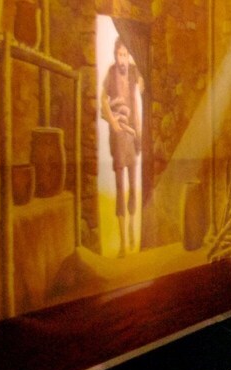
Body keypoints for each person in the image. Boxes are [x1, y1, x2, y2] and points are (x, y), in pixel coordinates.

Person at [103, 38, 144, 257]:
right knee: (120, 187)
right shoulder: (111, 73)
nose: (123, 59)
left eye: (126, 55)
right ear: (115, 55)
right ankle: (121, 241)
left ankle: (130, 227)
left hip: (133, 136)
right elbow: (102, 100)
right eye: (120, 54)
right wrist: (112, 121)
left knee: (133, 185)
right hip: (118, 138)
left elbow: (143, 82)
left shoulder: (134, 71)